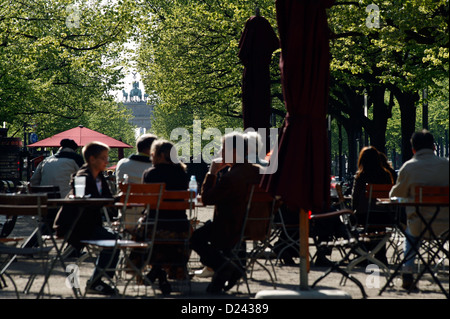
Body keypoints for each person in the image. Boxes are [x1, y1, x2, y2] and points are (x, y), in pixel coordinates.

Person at [190, 131, 268, 294]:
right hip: (256, 226)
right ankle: (229, 270)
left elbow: (207, 199)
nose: (220, 153)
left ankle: (224, 266)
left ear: (234, 152)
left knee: (195, 238)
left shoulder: (231, 177)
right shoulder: (260, 172)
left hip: (229, 228)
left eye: (223, 149)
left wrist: (212, 173)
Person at [53, 141, 120, 295]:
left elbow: (107, 199)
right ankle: (97, 281)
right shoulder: (82, 176)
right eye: (103, 158)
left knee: (115, 238)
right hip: (75, 226)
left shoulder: (99, 177)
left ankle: (99, 279)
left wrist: (119, 198)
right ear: (91, 159)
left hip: (89, 225)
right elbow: (85, 198)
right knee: (114, 241)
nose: (107, 161)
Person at [389, 130, 449, 291]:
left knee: (410, 234)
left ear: (413, 149)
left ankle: (408, 272)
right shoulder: (446, 165)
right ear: (434, 147)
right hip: (446, 226)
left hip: (419, 226)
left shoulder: (409, 168)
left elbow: (396, 195)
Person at [137, 139, 190, 295]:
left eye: (152, 154)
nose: (150, 157)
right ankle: (160, 272)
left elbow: (145, 202)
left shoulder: (149, 174)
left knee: (146, 229)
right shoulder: (181, 173)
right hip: (180, 227)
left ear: (159, 155)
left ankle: (158, 271)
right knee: (164, 230)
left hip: (153, 226)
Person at [351, 146, 395, 265]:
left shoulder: (361, 176)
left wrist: (353, 210)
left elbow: (355, 199)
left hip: (365, 216)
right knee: (379, 226)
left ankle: (364, 253)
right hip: (385, 216)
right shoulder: (386, 175)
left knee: (353, 224)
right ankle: (380, 255)